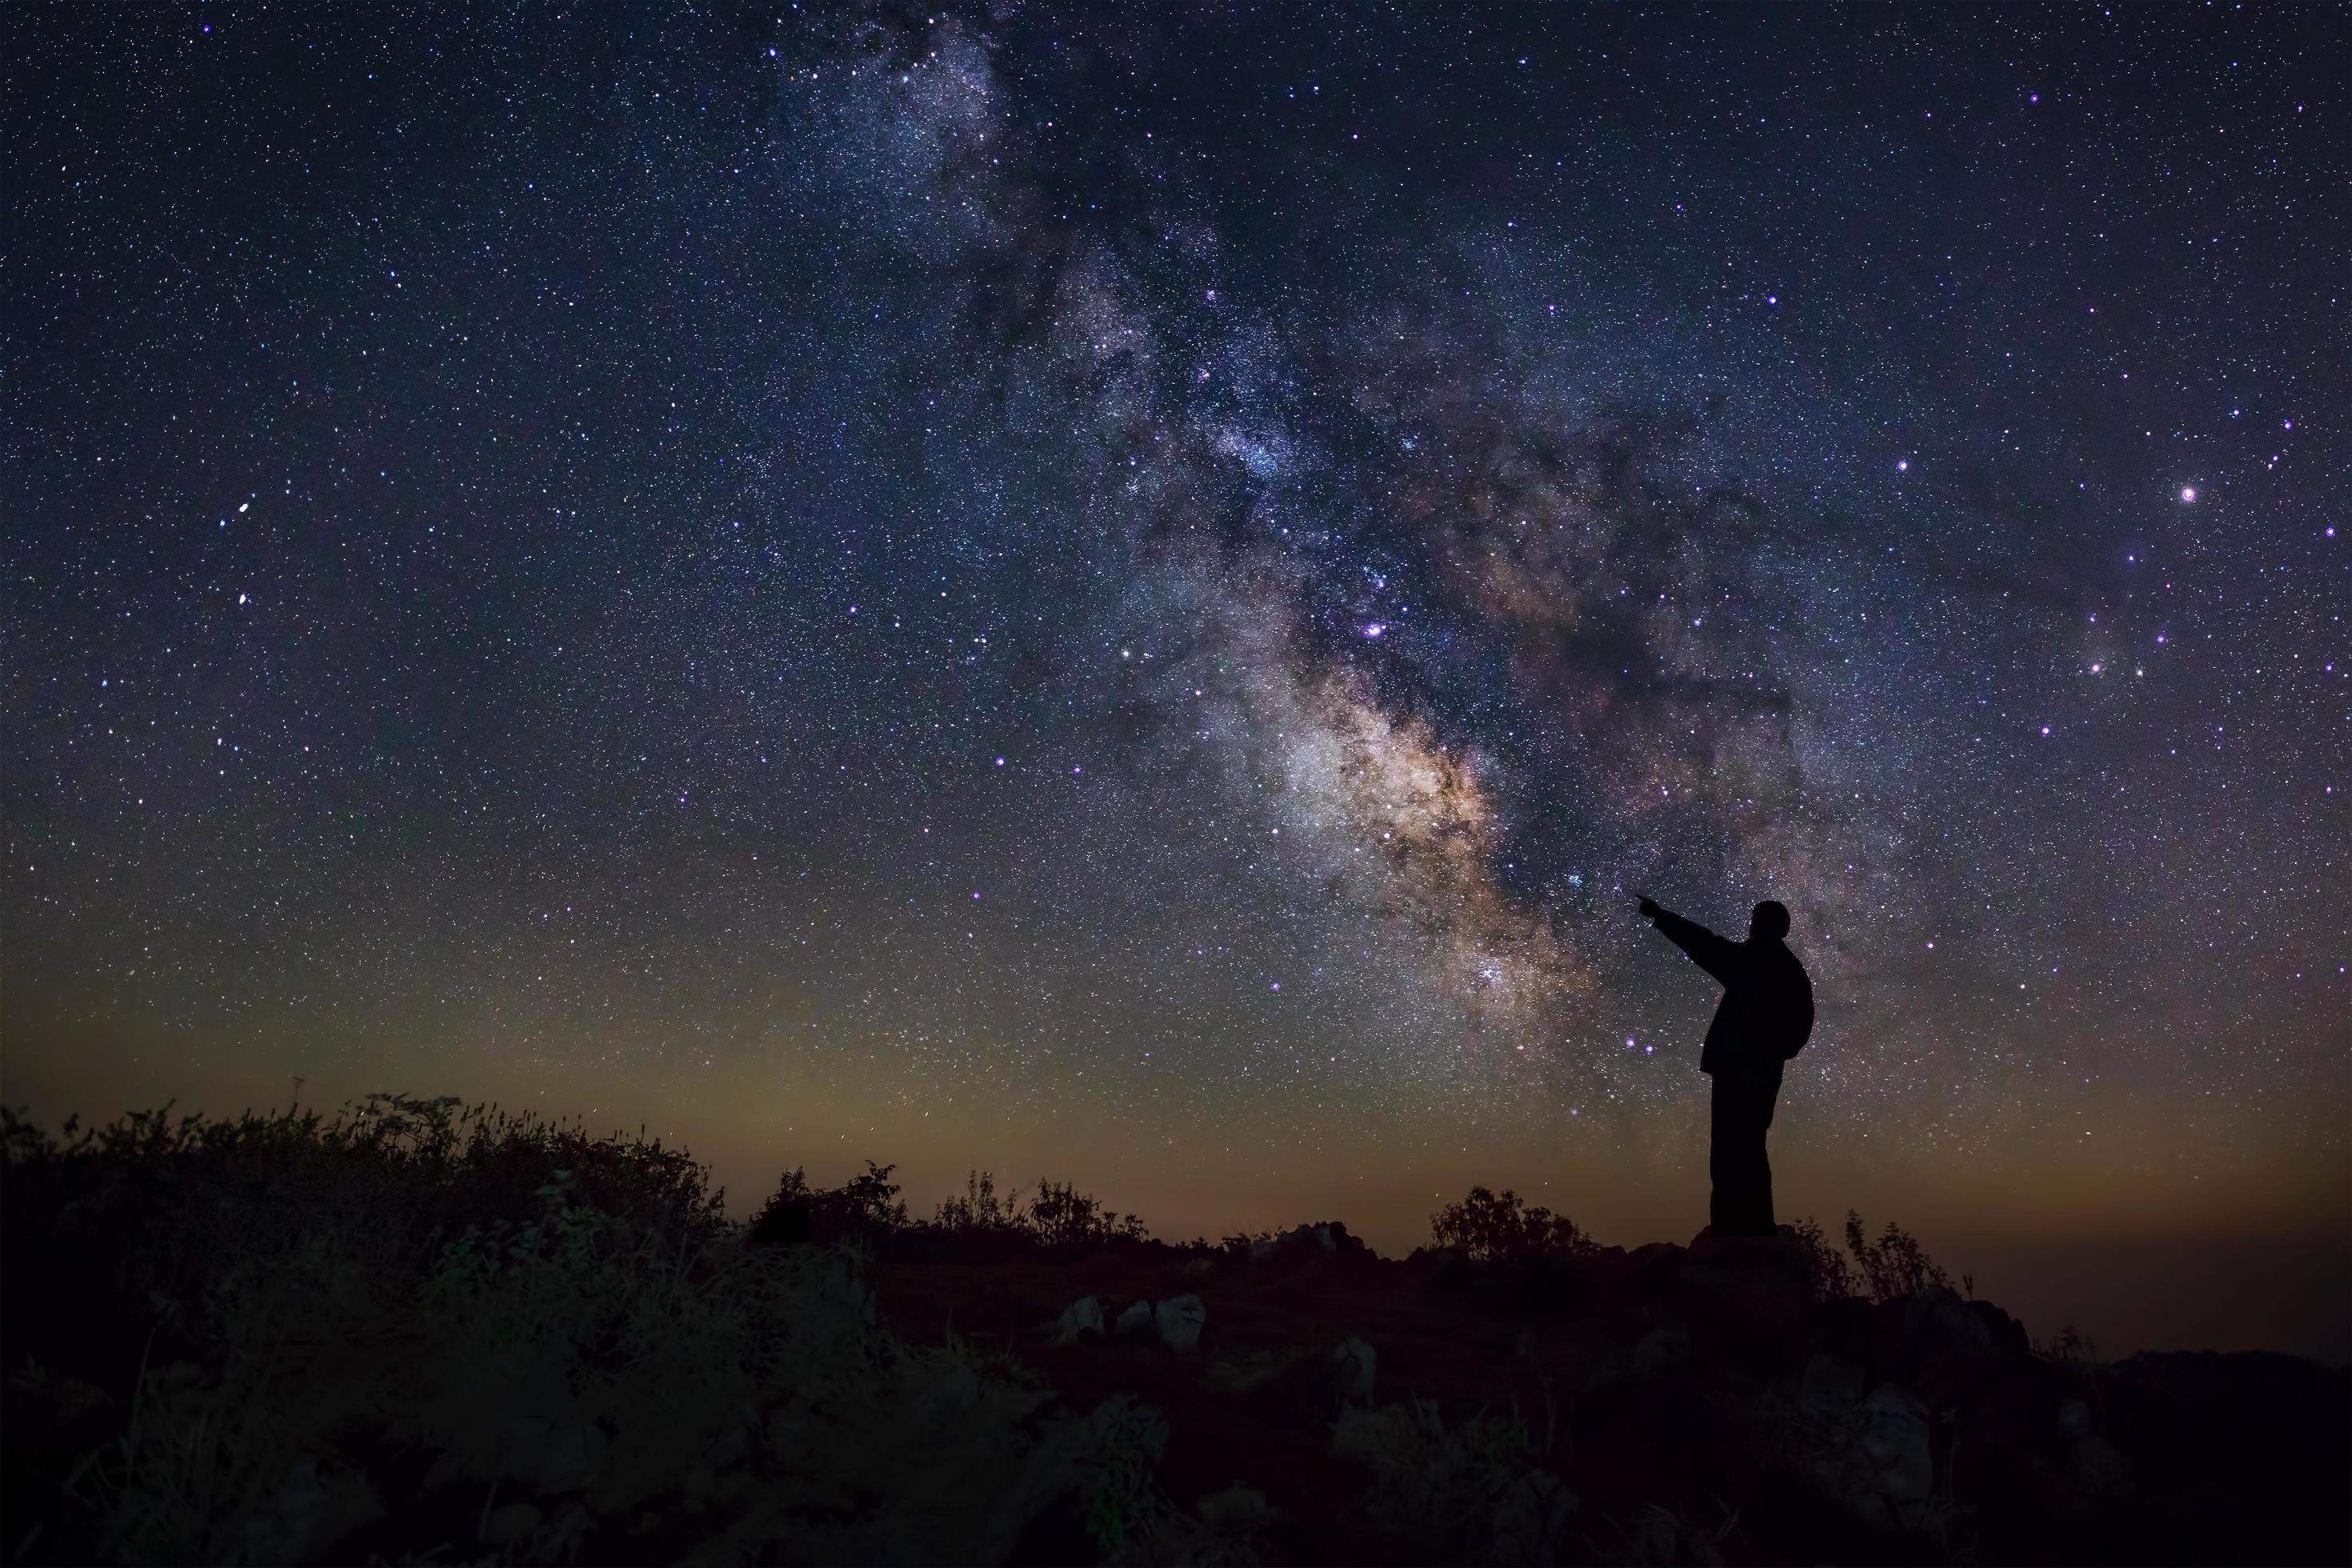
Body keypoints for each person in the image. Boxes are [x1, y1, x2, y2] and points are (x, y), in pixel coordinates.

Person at [1636, 894, 1814, 1238]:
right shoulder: (1793, 970)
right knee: (1751, 1148)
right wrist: (1776, 1052)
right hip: (1765, 1074)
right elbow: (1802, 1024)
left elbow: (1706, 946)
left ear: (1760, 925)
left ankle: (1732, 1234)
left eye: (1753, 921)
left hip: (1739, 1069)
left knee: (1730, 1152)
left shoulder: (1755, 958)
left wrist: (1662, 917)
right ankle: (1757, 1228)